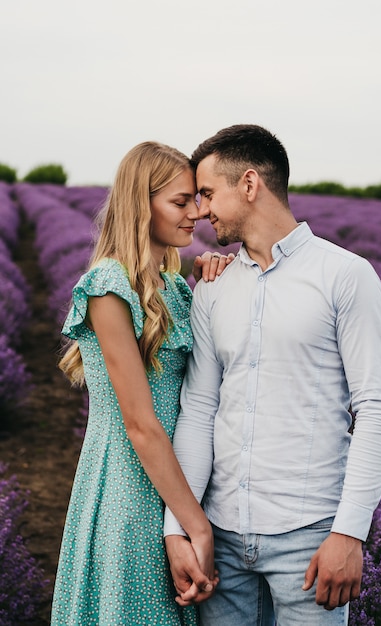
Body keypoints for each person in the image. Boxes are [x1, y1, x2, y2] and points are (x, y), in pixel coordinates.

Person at [164, 124, 381, 625]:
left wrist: (349, 533)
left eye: (207, 193)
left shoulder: (346, 276)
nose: (200, 210)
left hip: (310, 539)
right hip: (220, 538)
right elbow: (199, 409)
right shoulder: (212, 286)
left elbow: (376, 409)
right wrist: (180, 528)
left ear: (249, 185)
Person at [51, 141, 231, 625]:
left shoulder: (173, 285)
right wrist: (198, 527)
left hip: (176, 477)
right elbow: (140, 424)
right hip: (129, 487)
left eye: (196, 198)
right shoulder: (109, 285)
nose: (196, 212)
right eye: (179, 201)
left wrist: (215, 278)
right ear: (140, 203)